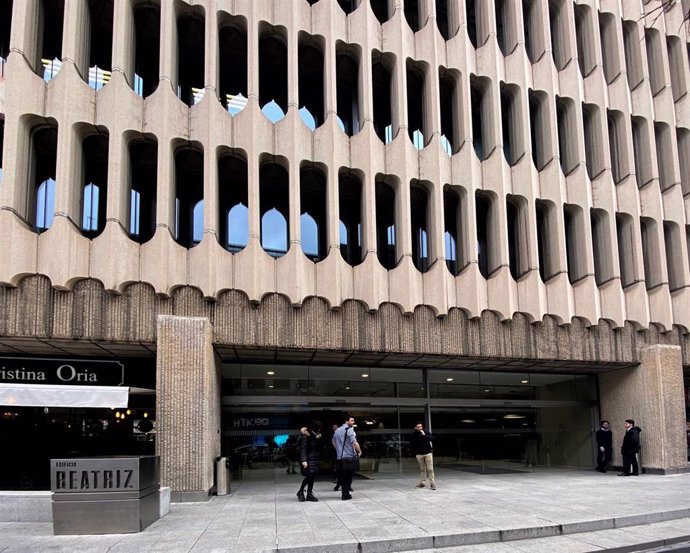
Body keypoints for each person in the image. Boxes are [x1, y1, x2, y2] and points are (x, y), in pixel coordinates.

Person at [332, 415, 361, 501]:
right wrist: (359, 451)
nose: (353, 422)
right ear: (346, 421)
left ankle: (345, 494)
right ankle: (345, 494)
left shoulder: (337, 430)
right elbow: (355, 443)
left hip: (339, 457)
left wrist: (338, 450)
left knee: (343, 476)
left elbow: (333, 441)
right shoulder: (349, 429)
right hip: (348, 457)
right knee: (348, 477)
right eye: (351, 420)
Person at [296, 423, 321, 502]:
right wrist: (303, 460)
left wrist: (318, 438)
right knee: (309, 476)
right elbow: (303, 450)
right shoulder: (305, 437)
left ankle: (309, 493)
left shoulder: (313, 436)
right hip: (309, 459)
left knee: (312, 476)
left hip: (314, 459)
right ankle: (301, 491)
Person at [410, 422, 436, 490]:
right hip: (419, 454)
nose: (420, 428)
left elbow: (432, 439)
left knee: (430, 469)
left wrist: (424, 435)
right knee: (422, 469)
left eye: (421, 426)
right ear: (415, 428)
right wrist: (415, 453)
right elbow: (412, 444)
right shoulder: (414, 434)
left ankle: (432, 483)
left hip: (428, 453)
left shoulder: (426, 432)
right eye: (418, 427)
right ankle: (422, 483)